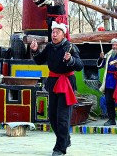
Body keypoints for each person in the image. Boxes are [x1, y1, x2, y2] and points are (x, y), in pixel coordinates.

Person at [30, 21, 83, 156]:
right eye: (53, 32)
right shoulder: (49, 47)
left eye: (57, 32)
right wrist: (35, 50)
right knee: (52, 116)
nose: (54, 35)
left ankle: (60, 148)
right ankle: (66, 139)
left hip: (66, 84)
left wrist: (71, 59)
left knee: (63, 117)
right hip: (53, 83)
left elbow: (80, 65)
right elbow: (39, 60)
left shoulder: (70, 47)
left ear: (63, 34)